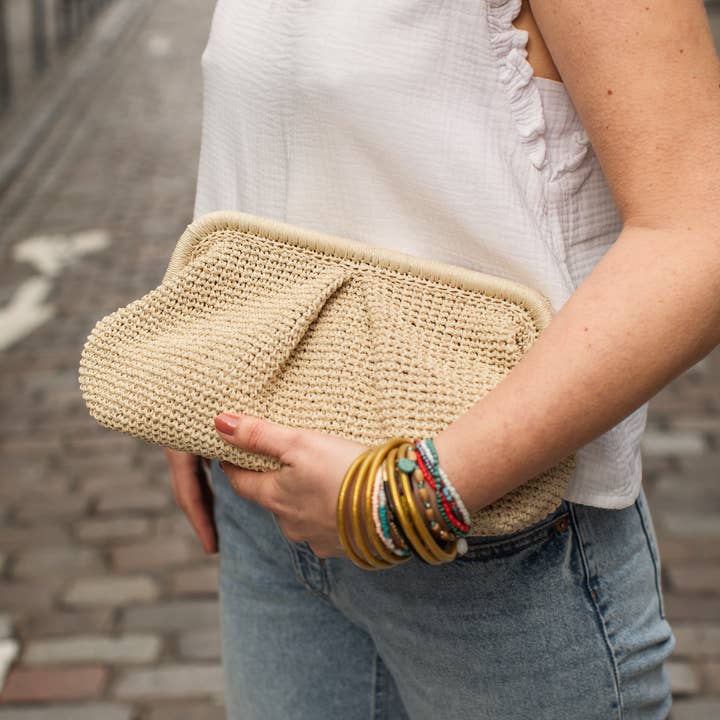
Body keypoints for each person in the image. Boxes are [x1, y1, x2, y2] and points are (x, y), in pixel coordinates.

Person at [164, 1, 720, 717]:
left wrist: (400, 499)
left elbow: (699, 233)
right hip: (269, 522)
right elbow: (279, 120)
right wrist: (196, 354)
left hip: (484, 543)